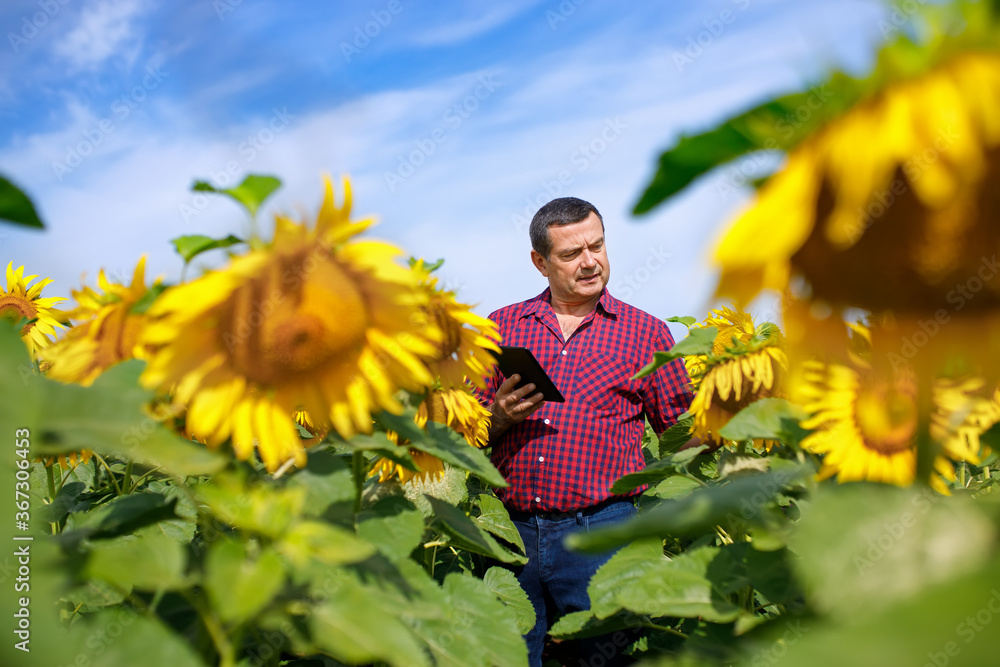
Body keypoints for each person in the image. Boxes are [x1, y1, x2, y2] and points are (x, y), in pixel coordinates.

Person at [476, 197, 694, 666]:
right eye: (572, 254)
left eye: (597, 246)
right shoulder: (501, 326)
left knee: (611, 657)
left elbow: (683, 434)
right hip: (508, 533)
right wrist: (497, 417)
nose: (590, 261)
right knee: (504, 657)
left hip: (601, 531)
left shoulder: (647, 333)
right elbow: (464, 432)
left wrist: (733, 409)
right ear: (540, 262)